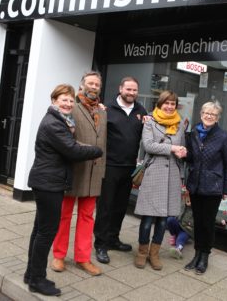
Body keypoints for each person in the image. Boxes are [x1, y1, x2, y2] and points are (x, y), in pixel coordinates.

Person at [25, 84, 102, 296]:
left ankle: (30, 274)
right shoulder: (54, 124)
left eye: (70, 100)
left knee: (39, 230)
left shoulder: (60, 121)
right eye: (63, 100)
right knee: (46, 232)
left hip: (47, 181)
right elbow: (72, 150)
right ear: (54, 101)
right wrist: (97, 150)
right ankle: (37, 280)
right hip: (49, 183)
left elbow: (70, 145)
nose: (68, 103)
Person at [50, 72, 107, 276]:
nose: (93, 87)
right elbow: (66, 140)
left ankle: (83, 258)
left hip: (94, 172)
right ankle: (58, 255)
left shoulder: (102, 110)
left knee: (87, 217)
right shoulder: (71, 106)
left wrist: (102, 168)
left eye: (97, 84)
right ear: (81, 85)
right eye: (90, 83)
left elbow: (103, 142)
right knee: (64, 215)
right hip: (74, 169)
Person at [93, 77, 147, 264]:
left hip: (129, 168)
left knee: (120, 207)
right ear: (120, 89)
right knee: (105, 207)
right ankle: (100, 244)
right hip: (109, 166)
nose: (131, 93)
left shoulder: (141, 110)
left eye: (134, 90)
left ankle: (113, 239)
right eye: (128, 89)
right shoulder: (106, 109)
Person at [134, 90, 187, 270]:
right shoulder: (150, 122)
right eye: (167, 103)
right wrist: (173, 148)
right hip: (154, 173)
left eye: (173, 104)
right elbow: (148, 145)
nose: (170, 106)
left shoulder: (180, 125)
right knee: (148, 218)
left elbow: (182, 146)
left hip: (172, 175)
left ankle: (154, 254)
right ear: (160, 103)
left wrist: (182, 152)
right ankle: (142, 252)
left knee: (163, 220)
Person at [184, 101, 227, 275]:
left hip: (213, 186)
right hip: (195, 185)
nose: (208, 116)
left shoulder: (224, 137)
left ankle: (204, 256)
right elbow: (192, 159)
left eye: (212, 114)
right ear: (201, 114)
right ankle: (196, 254)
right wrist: (185, 155)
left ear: (218, 117)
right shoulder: (193, 134)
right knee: (197, 222)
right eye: (206, 112)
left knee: (207, 223)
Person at [167, 188, 193, 259]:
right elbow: (179, 191)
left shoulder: (197, 208)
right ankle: (174, 235)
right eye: (187, 199)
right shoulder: (183, 202)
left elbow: (208, 216)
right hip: (179, 225)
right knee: (170, 220)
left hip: (187, 230)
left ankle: (178, 250)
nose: (188, 201)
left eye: (190, 200)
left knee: (181, 239)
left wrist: (220, 220)